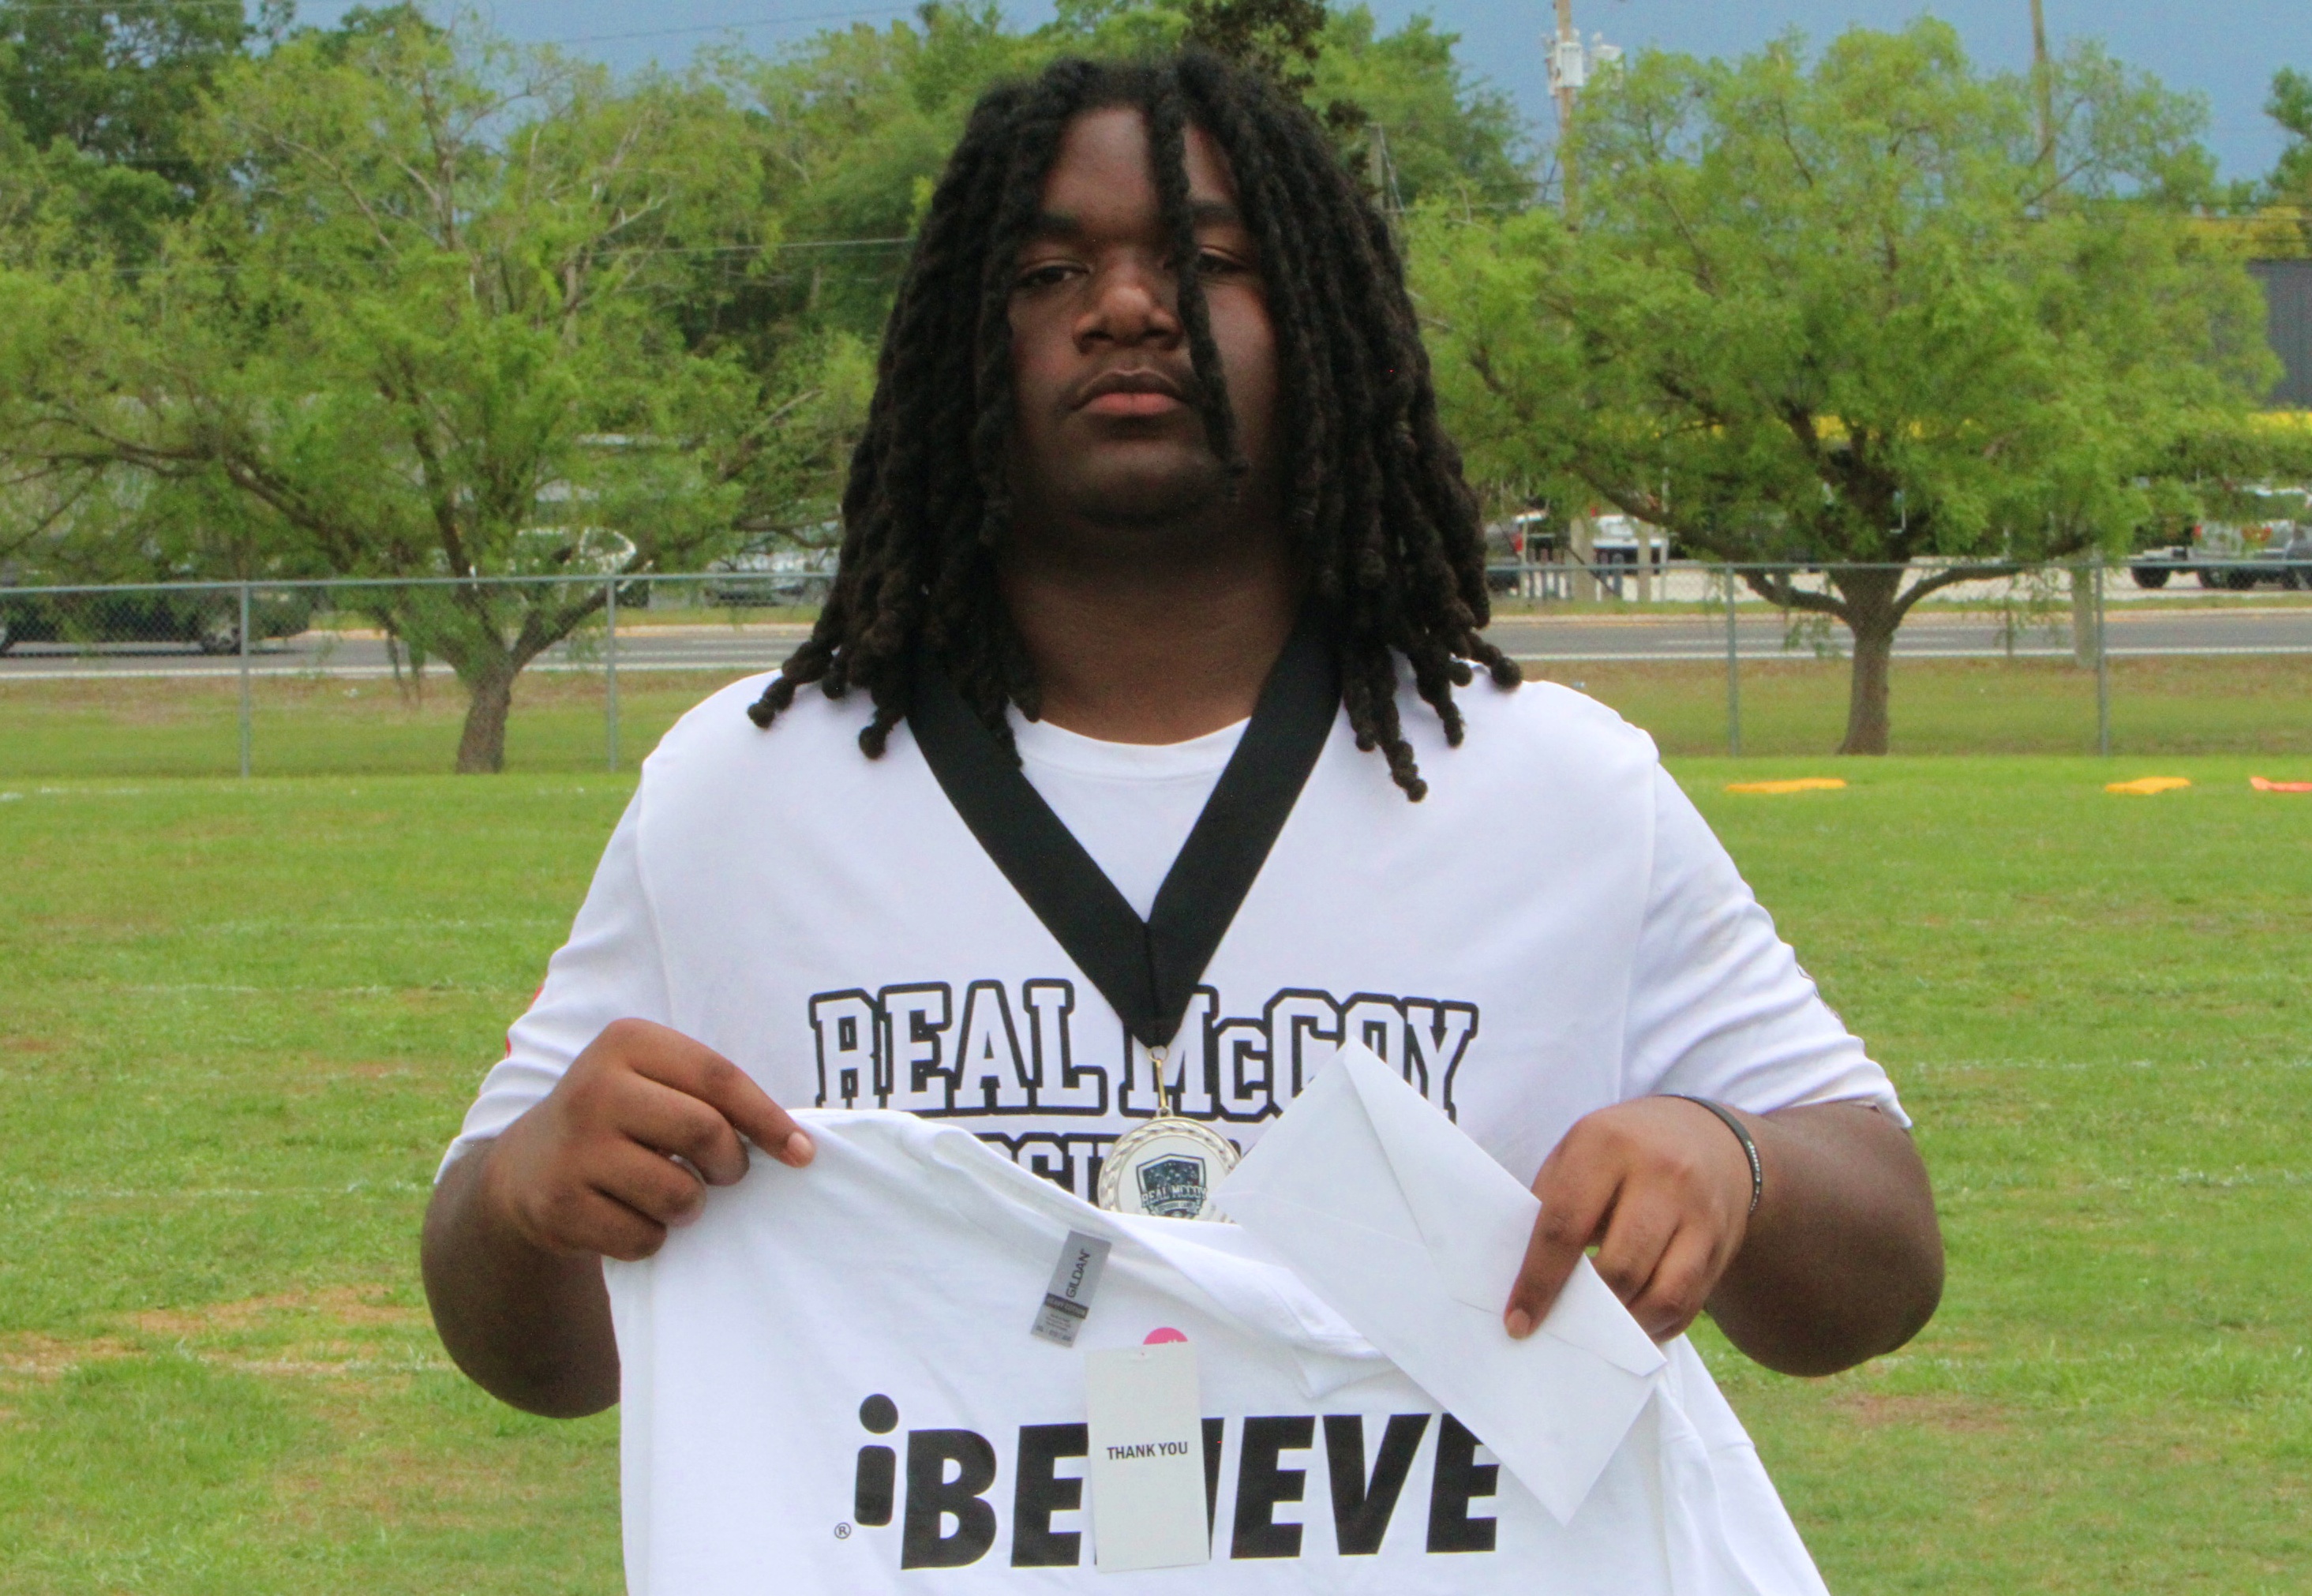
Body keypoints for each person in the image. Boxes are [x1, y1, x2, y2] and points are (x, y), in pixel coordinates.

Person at [422, 52, 1941, 1426]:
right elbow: (536, 1355)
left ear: (1328, 321)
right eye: (1046, 270)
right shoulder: (743, 793)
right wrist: (525, 1201)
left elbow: (1882, 1266)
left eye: (1209, 260)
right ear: (958, 341)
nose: (1129, 308)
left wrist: (1733, 1159)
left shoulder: (1554, 786)